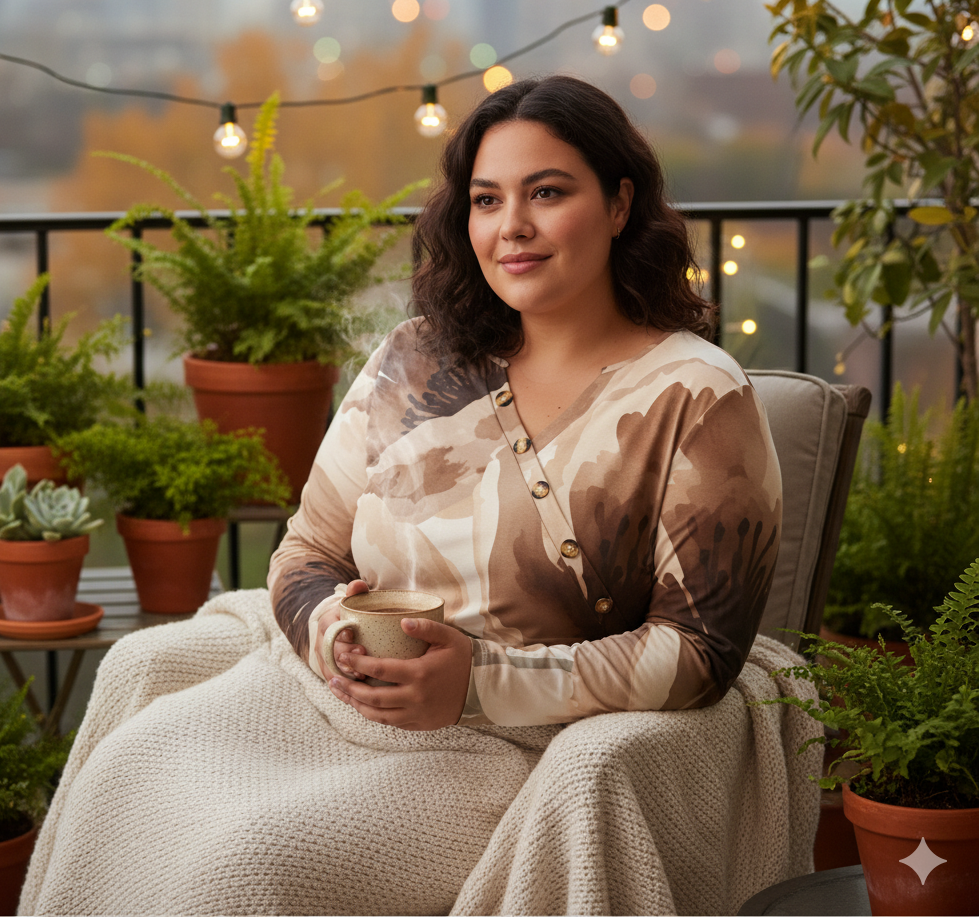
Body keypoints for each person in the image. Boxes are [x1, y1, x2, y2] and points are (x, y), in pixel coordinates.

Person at [268, 74, 782, 731]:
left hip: (529, 743)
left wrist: (480, 684)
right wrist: (333, 634)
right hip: (342, 704)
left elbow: (703, 649)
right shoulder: (413, 359)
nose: (512, 226)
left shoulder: (697, 394)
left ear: (619, 204)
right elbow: (305, 550)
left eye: (546, 193)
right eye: (487, 200)